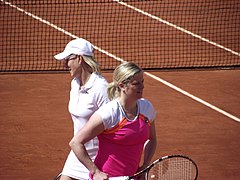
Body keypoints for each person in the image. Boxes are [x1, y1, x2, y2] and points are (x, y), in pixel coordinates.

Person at [69, 62, 157, 180]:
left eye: (142, 82)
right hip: (109, 177)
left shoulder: (147, 108)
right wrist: (95, 172)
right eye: (136, 83)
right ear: (122, 86)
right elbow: (75, 143)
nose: (142, 87)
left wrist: (144, 166)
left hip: (132, 177)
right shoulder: (109, 113)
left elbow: (152, 139)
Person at [54, 38, 109, 180]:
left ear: (79, 59)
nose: (65, 65)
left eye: (67, 59)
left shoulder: (100, 88)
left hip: (99, 155)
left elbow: (112, 123)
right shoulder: (74, 83)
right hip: (79, 151)